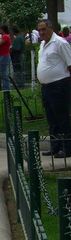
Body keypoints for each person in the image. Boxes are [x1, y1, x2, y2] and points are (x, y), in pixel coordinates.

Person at [36, 19, 71, 159]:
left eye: (44, 29)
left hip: (59, 85)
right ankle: (55, 146)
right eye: (39, 30)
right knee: (52, 119)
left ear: (51, 28)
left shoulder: (60, 43)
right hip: (47, 87)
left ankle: (66, 147)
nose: (42, 32)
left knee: (62, 117)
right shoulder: (43, 45)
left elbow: (70, 64)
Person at [0, 24, 12, 91]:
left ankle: (6, 88)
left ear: (2, 29)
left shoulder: (5, 37)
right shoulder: (5, 36)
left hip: (4, 56)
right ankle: (6, 87)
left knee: (4, 73)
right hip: (3, 55)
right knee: (4, 72)